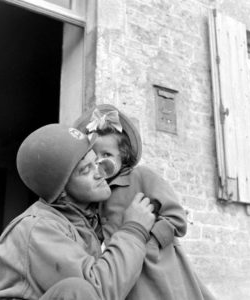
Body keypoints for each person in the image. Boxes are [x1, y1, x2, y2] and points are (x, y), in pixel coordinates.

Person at [0, 124, 156, 300]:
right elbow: (99, 290)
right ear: (61, 190)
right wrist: (134, 230)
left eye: (96, 162)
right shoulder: (39, 227)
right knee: (76, 290)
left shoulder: (82, 219)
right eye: (86, 170)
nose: (99, 173)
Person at [74, 104, 216, 300]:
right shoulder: (97, 194)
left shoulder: (141, 177)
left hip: (159, 264)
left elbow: (176, 218)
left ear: (123, 156)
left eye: (107, 155)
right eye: (94, 156)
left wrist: (151, 243)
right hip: (127, 268)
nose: (100, 162)